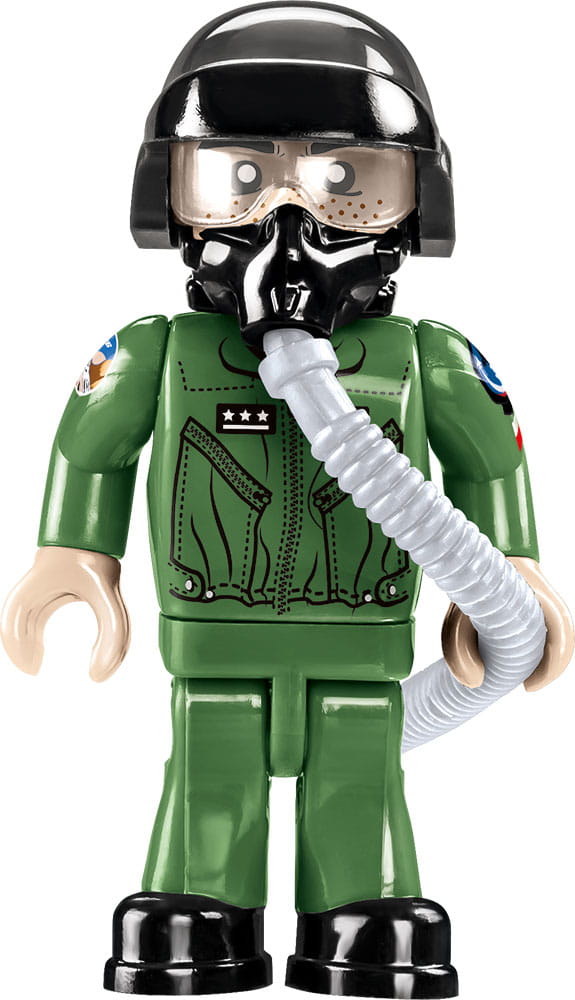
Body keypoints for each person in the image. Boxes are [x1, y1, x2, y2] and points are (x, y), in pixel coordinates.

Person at [2, 4, 572, 997]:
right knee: (207, 768)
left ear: (416, 202)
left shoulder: (426, 360)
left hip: (359, 637)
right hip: (213, 635)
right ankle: (195, 915)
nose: (289, 223)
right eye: (238, 177)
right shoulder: (155, 352)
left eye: (347, 182)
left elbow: (488, 466)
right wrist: (73, 556)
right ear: (171, 196)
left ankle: (365, 914)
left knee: (358, 772)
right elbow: (91, 450)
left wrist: (505, 580)